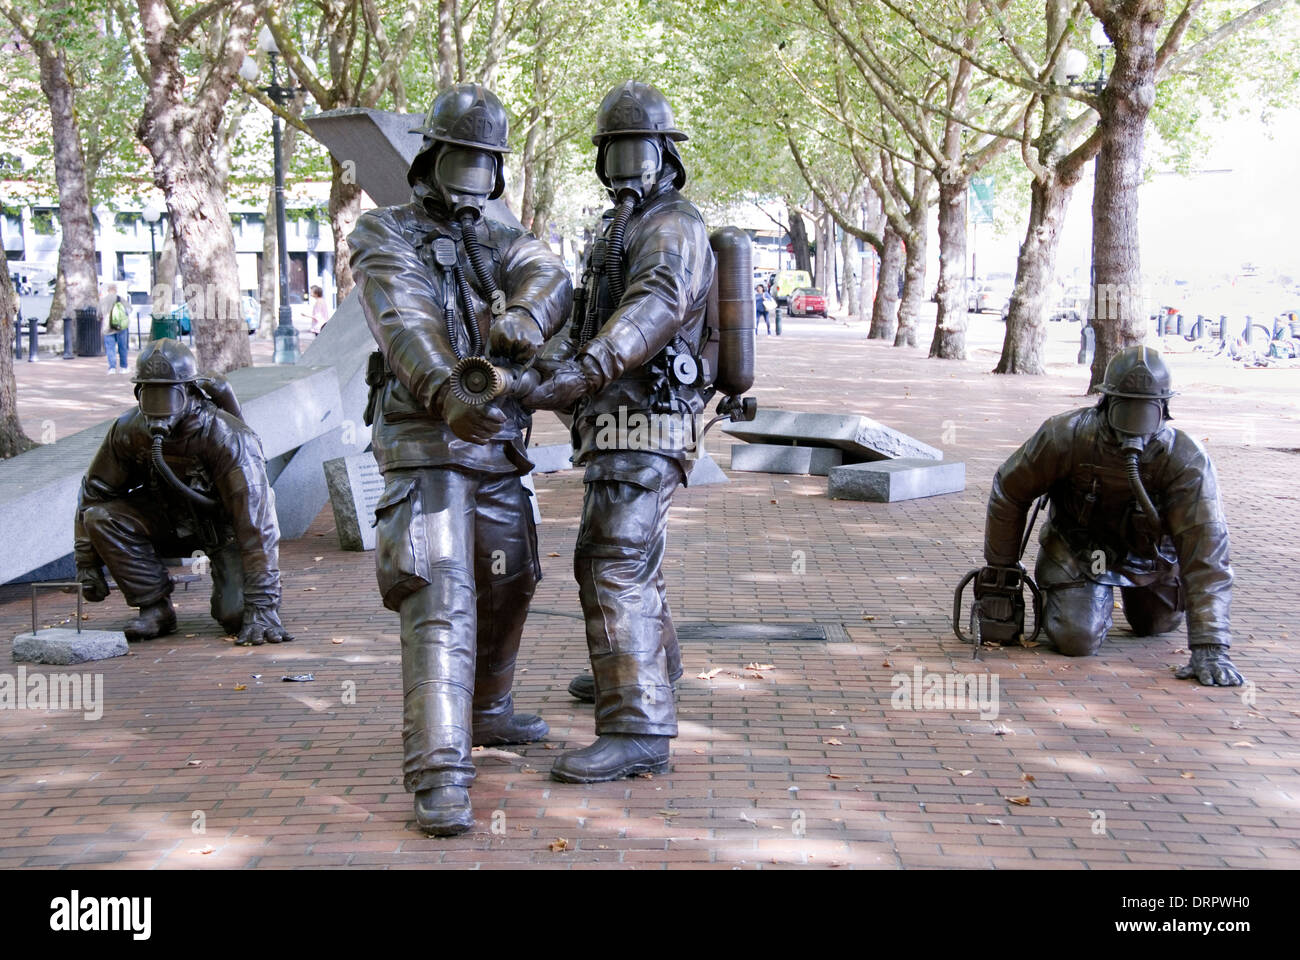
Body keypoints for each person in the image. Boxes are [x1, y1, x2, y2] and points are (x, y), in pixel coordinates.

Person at [348, 84, 573, 836]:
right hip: (424, 440)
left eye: (485, 163)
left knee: (513, 578)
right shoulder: (384, 232)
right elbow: (404, 322)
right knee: (439, 596)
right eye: (462, 159)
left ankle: (489, 709)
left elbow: (550, 272)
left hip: (497, 443)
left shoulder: (504, 239)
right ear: (432, 159)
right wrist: (449, 392)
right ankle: (439, 770)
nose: (473, 176)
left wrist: (525, 314)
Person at [523, 80, 714, 783]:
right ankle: (651, 665)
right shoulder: (617, 229)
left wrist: (587, 369)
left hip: (649, 418)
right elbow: (588, 314)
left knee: (611, 559)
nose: (626, 164)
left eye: (638, 148)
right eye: (615, 150)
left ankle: (637, 727)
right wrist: (538, 362)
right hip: (617, 418)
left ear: (665, 153)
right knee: (632, 556)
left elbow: (654, 305)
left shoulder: (672, 226)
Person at [981, 345, 1243, 686]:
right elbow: (1010, 490)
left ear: (1163, 409)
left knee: (1156, 625)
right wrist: (1001, 573)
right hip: (1078, 553)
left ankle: (1143, 602)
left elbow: (1207, 549)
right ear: (1104, 402)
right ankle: (1083, 599)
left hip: (1151, 559)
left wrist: (1210, 644)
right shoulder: (1065, 435)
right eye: (1126, 409)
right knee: (1077, 639)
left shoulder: (1185, 459)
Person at [74, 339, 292, 647]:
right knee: (102, 518)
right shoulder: (128, 430)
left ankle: (249, 602)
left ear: (189, 392)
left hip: (224, 530)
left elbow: (256, 523)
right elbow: (95, 493)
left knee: (236, 616)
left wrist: (263, 604)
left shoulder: (227, 436)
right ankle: (153, 606)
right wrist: (86, 564)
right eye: (150, 394)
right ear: (138, 394)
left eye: (168, 395)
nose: (158, 408)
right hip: (167, 520)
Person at [102, 284, 130, 374]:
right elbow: (129, 310)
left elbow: (99, 314)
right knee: (122, 347)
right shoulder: (121, 299)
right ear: (116, 290)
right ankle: (123, 367)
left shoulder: (104, 301)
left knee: (110, 348)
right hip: (121, 327)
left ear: (108, 290)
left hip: (108, 328)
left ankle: (112, 368)